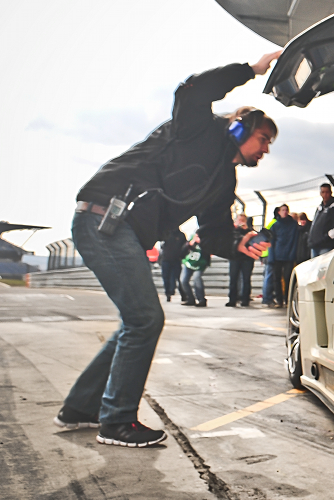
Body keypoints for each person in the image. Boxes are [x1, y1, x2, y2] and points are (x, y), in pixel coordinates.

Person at [54, 52, 279, 448]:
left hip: (120, 230)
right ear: (242, 129)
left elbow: (213, 234)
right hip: (103, 219)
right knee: (144, 320)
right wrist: (252, 70)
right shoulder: (197, 127)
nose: (266, 150)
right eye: (264, 139)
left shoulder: (223, 182)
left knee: (135, 322)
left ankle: (80, 408)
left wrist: (237, 242)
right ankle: (117, 421)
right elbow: (192, 90)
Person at [263, 204, 298, 306]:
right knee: (276, 278)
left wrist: (292, 254)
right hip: (277, 255)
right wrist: (271, 257)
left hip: (289, 256)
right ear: (279, 212)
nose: (285, 212)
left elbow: (295, 240)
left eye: (286, 210)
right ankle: (279, 300)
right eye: (283, 210)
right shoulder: (275, 225)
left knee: (287, 278)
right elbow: (271, 242)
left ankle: (287, 299)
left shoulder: (293, 224)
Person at [227, 214, 257, 307]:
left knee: (246, 279)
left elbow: (254, 240)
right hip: (235, 257)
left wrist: (246, 229)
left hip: (247, 258)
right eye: (239, 220)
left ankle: (245, 299)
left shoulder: (250, 232)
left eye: (243, 220)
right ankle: (232, 299)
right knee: (233, 279)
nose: (241, 222)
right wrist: (236, 229)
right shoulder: (232, 231)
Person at [309, 183, 334, 257]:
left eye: (327, 192)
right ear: (320, 193)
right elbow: (314, 224)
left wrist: (328, 236)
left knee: (323, 267)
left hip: (325, 245)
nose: (325, 194)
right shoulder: (320, 208)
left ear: (330, 193)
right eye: (323, 192)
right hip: (314, 244)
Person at [158, 227, 188, 303]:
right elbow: (161, 245)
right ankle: (168, 294)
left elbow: (185, 247)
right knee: (166, 277)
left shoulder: (181, 235)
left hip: (176, 260)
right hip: (166, 259)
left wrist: (182, 256)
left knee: (178, 277)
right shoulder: (166, 233)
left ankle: (183, 294)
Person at [179, 233, 210, 307]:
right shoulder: (191, 239)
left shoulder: (206, 239)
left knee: (197, 278)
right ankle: (190, 298)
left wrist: (201, 243)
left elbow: (209, 251)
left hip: (201, 263)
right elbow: (183, 250)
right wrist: (190, 244)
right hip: (189, 262)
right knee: (183, 280)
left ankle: (201, 299)